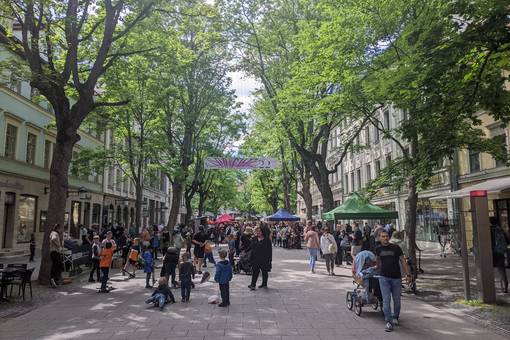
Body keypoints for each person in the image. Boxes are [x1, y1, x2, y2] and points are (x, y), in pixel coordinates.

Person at [374, 230, 411, 332]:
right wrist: (377, 267)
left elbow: (403, 261)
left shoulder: (396, 248)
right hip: (384, 278)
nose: (385, 238)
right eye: (383, 236)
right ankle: (389, 322)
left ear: (389, 237)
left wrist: (408, 274)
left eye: (386, 236)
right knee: (386, 300)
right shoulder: (378, 249)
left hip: (396, 278)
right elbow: (378, 260)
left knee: (397, 301)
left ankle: (395, 317)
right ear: (379, 238)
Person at [248, 226, 272, 290]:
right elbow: (251, 247)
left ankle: (264, 284)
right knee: (255, 272)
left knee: (264, 272)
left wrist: (270, 259)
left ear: (262, 232)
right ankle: (253, 285)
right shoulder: (254, 238)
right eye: (257, 231)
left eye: (259, 231)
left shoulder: (267, 240)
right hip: (255, 258)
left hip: (264, 259)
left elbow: (269, 250)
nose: (258, 232)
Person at [490, 216, 509, 293]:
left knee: (487, 269)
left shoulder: (490, 230)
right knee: (502, 270)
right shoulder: (500, 229)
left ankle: (489, 288)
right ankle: (504, 287)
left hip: (492, 252)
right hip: (500, 251)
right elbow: (507, 241)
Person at [49, 224, 63, 288]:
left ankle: (55, 279)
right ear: (57, 228)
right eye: (60, 229)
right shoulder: (54, 233)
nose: (61, 230)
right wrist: (58, 245)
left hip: (56, 252)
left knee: (59, 264)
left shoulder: (54, 233)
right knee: (55, 265)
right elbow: (53, 239)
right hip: (54, 252)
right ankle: (52, 279)